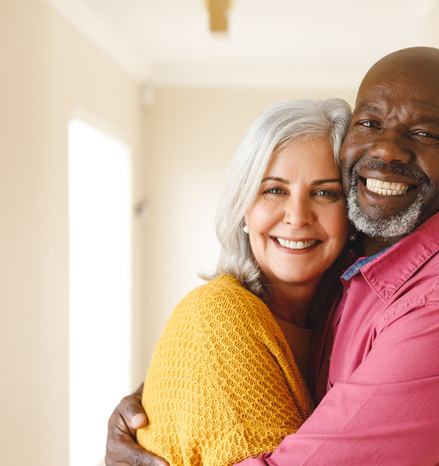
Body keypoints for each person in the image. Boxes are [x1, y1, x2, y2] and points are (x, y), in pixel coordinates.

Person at [106, 47, 439, 465]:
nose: (386, 148)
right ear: (242, 203)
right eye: (370, 123)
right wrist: (165, 401)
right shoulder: (363, 268)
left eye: (425, 133)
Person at [126, 98, 352, 465]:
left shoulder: (338, 325)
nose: (297, 216)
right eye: (274, 190)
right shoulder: (218, 316)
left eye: (325, 192)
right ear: (244, 206)